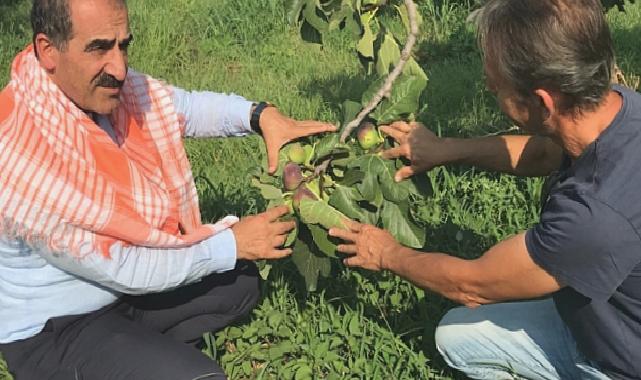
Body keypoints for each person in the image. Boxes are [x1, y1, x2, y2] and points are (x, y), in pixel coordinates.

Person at [0, 0, 335, 379]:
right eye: (100, 48)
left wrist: (260, 116)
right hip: (59, 327)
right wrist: (229, 244)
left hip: (120, 294)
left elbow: (185, 107)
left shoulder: (98, 92)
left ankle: (130, 352)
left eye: (123, 44)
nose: (120, 68)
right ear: (48, 50)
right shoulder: (19, 153)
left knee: (240, 283)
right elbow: (124, 268)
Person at [330, 0, 641, 379]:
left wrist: (387, 254)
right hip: (608, 310)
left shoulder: (594, 217)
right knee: (456, 336)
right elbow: (545, 151)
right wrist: (447, 150)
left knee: (462, 334)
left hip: (622, 362)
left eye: (496, 88)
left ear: (542, 101)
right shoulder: (618, 106)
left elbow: (471, 284)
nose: (490, 90)